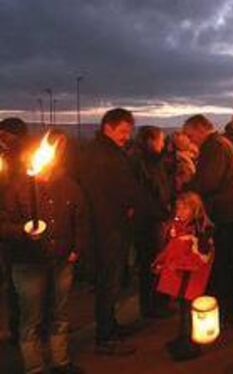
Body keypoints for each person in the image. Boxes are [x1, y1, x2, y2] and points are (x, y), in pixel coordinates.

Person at [4, 135, 88, 374]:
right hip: (28, 262)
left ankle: (60, 362)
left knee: (59, 314)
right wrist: (22, 230)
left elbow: (81, 220)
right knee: (32, 318)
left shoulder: (69, 185)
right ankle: (35, 366)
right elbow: (2, 223)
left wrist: (76, 249)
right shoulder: (16, 188)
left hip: (62, 260)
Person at [79, 108, 143, 355]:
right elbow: (124, 189)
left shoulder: (105, 151)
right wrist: (152, 210)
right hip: (107, 228)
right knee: (109, 283)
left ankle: (111, 326)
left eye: (129, 132)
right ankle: (105, 337)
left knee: (112, 282)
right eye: (123, 131)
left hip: (110, 225)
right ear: (108, 127)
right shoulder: (103, 154)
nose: (127, 136)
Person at [182, 114, 233, 324]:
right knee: (224, 267)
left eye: (191, 135)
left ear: (200, 129)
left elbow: (208, 182)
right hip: (227, 212)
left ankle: (223, 313)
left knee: (220, 268)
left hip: (219, 215)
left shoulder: (214, 146)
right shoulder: (222, 144)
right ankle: (227, 310)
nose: (191, 141)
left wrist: (187, 187)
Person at [131, 126, 173, 319]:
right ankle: (152, 306)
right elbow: (145, 194)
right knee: (152, 262)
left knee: (156, 261)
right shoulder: (140, 162)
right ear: (150, 141)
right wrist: (162, 213)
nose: (163, 144)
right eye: (160, 140)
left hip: (156, 217)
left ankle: (156, 303)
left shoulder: (155, 161)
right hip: (149, 220)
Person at [0, 117, 29, 346]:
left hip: (19, 223)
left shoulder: (18, 159)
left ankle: (21, 327)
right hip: (11, 224)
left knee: (17, 280)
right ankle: (19, 327)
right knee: (15, 280)